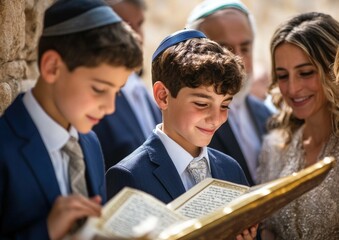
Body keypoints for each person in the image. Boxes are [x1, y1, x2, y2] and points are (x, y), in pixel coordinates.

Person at [0, 0, 143, 239]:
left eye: (117, 92)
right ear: (53, 67)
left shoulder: (90, 143)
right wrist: (45, 232)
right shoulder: (4, 148)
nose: (110, 108)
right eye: (99, 89)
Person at [106, 29, 258, 240]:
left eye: (225, 105)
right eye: (201, 103)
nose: (216, 119)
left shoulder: (231, 169)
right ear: (163, 97)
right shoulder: (128, 176)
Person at [256, 12, 339, 239]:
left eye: (305, 73)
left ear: (333, 70)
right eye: (283, 76)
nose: (292, 89)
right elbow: (268, 228)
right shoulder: (273, 149)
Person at [186, 0, 272, 186]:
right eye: (226, 49)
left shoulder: (266, 115)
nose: (238, 60)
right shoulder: (186, 123)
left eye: (245, 48)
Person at [93, 0, 161, 171]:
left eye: (139, 24)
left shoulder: (144, 89)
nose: (136, 36)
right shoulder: (95, 101)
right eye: (124, 27)